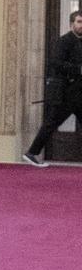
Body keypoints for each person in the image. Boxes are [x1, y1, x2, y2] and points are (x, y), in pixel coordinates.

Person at [23, 10, 82, 166]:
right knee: (51, 122)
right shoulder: (64, 41)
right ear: (72, 24)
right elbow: (56, 63)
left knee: (51, 122)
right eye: (79, 22)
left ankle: (32, 152)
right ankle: (32, 152)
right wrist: (79, 69)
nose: (81, 25)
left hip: (78, 92)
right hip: (65, 93)